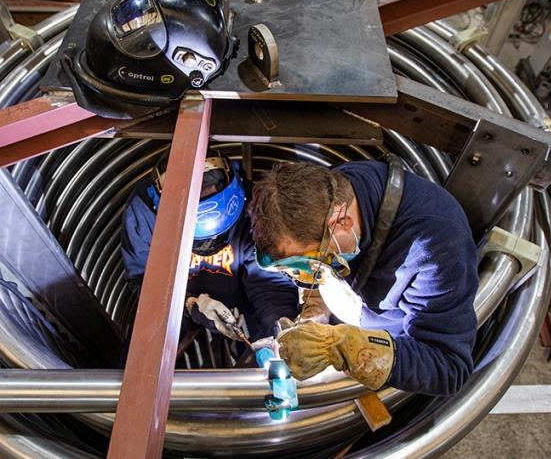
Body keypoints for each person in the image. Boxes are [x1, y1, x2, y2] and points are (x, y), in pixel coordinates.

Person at [248, 156, 478, 396]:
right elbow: (316, 266)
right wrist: (314, 311)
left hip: (398, 354)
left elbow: (448, 367)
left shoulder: (435, 248)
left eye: (311, 263)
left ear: (342, 223)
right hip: (353, 314)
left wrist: (343, 347)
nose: (307, 274)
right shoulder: (330, 192)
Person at [120, 148, 299, 348]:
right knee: (142, 360)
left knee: (266, 346)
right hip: (170, 307)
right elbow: (143, 279)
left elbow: (267, 284)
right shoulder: (143, 213)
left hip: (244, 305)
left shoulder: (252, 206)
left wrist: (281, 328)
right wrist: (190, 305)